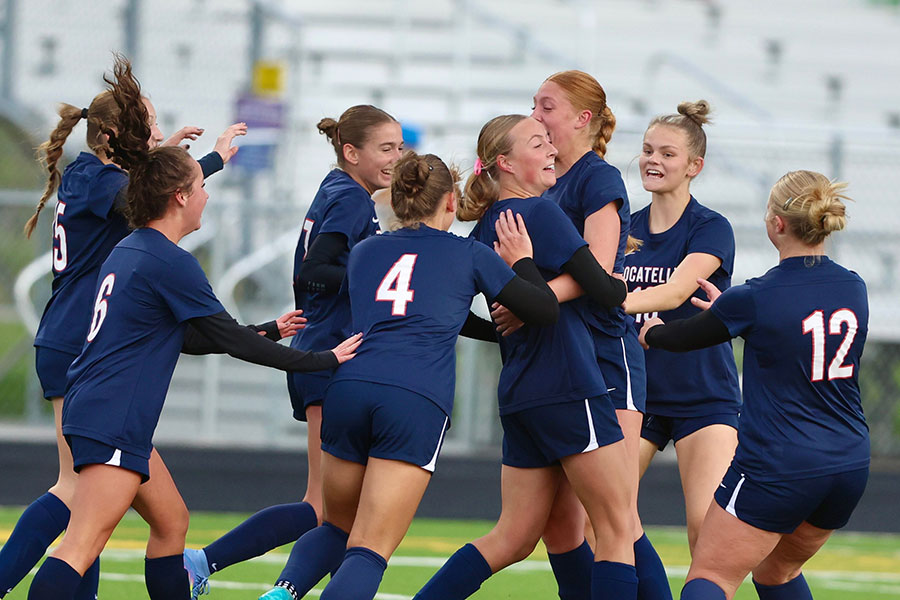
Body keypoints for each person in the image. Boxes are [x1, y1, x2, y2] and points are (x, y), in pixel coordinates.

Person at [24, 71, 360, 600]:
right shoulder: (165, 259)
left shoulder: (132, 249)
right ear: (180, 197)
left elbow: (190, 337)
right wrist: (320, 359)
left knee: (172, 523)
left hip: (104, 411)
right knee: (81, 544)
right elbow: (228, 338)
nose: (206, 197)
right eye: (201, 187)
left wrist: (267, 327)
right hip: (112, 416)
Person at [257, 149, 561, 600]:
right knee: (370, 548)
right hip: (414, 397)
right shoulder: (471, 253)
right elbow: (544, 310)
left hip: (349, 388)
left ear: (397, 201)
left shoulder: (364, 252)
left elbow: (417, 306)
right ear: (452, 202)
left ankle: (282, 592)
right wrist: (522, 260)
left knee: (336, 525)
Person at [0, 55, 245, 600]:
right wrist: (205, 161)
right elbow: (144, 200)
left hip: (78, 343)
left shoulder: (99, 172)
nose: (157, 133)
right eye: (149, 126)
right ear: (113, 135)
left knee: (97, 505)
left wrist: (163, 155)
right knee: (74, 493)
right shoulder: (94, 174)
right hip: (74, 343)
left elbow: (141, 192)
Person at [182, 105, 403, 598]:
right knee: (326, 510)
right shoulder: (350, 198)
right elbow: (315, 270)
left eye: (400, 147)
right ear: (352, 152)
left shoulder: (338, 188)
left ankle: (227, 569)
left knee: (333, 510)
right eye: (385, 149)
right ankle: (213, 565)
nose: (396, 158)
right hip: (330, 356)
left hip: (322, 353)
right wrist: (386, 280)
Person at [414, 114, 636, 600]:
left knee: (513, 537)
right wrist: (620, 282)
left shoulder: (488, 225)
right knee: (618, 529)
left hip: (520, 393)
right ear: (506, 163)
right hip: (570, 383)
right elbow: (603, 290)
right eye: (539, 143)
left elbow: (456, 315)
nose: (552, 148)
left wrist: (504, 324)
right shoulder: (539, 214)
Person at [638, 170, 868, 600]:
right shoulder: (854, 287)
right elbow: (794, 324)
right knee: (775, 571)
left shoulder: (756, 296)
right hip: (847, 462)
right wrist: (730, 312)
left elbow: (680, 338)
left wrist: (651, 330)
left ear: (777, 224)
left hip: (780, 463)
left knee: (710, 575)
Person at [512, 70, 669, 600]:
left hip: (606, 354)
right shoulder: (550, 182)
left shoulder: (598, 179)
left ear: (582, 119)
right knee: (560, 526)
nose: (536, 115)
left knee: (616, 518)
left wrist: (533, 298)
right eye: (534, 105)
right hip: (565, 359)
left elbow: (600, 270)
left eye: (547, 107)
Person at [623, 101, 741, 556]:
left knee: (705, 531)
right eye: (648, 150)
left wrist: (611, 301)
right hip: (638, 395)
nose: (653, 160)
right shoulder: (624, 228)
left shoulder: (711, 227)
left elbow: (675, 293)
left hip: (702, 395)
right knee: (599, 520)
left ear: (695, 166)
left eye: (668, 154)